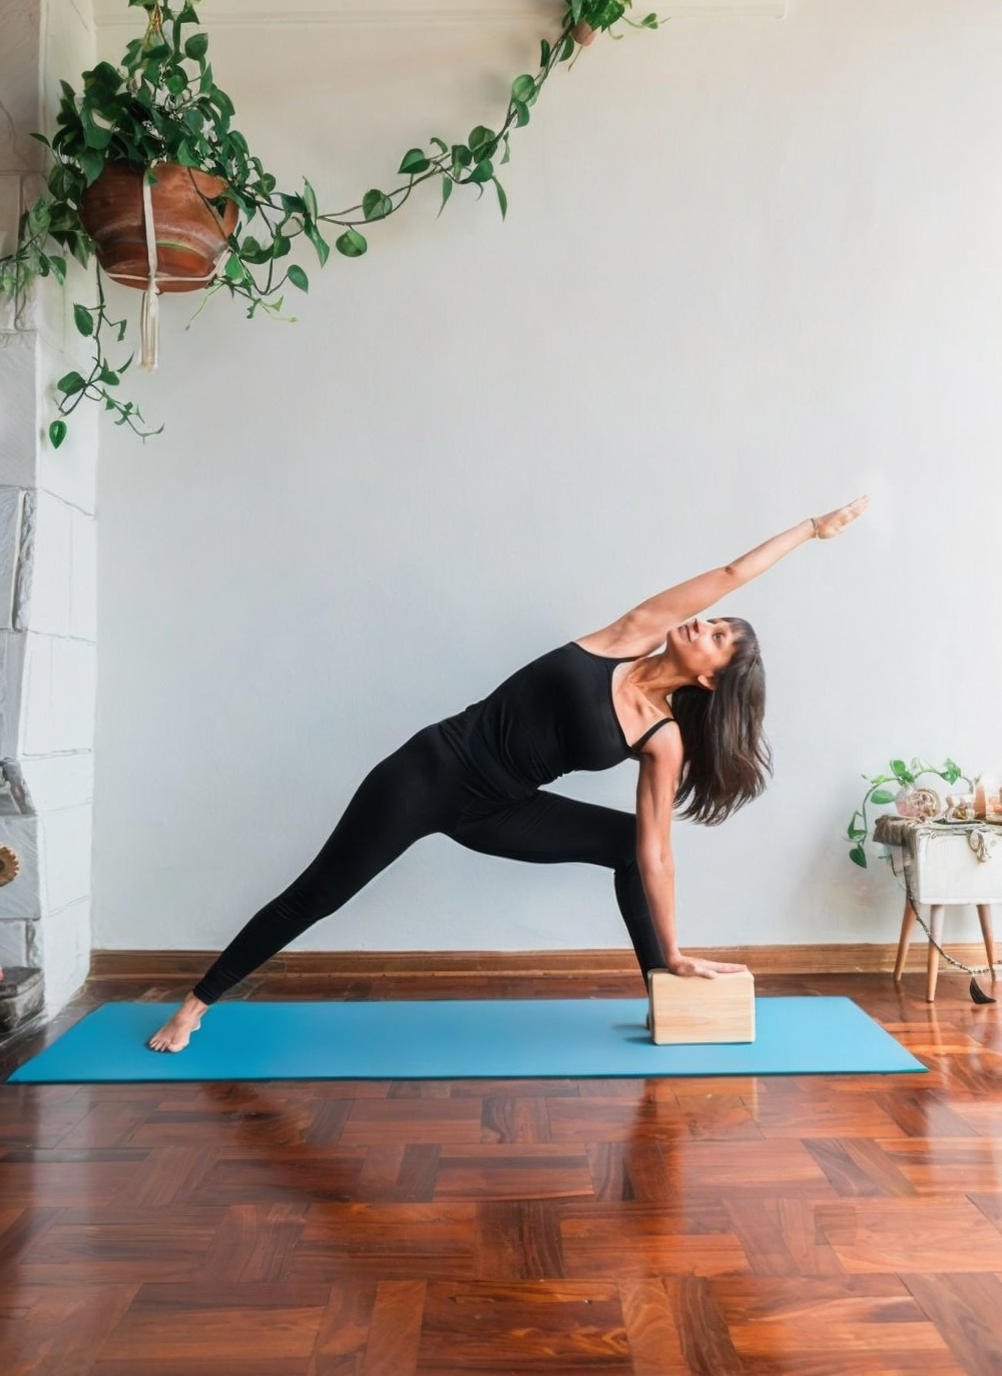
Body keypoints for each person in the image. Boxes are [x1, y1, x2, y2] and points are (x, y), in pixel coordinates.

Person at [149, 495, 869, 1052]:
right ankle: (196, 1005)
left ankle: (661, 990)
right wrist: (811, 529)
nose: (708, 626)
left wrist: (675, 952)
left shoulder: (664, 738)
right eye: (715, 622)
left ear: (712, 681)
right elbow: (730, 574)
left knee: (624, 845)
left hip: (495, 809)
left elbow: (654, 852)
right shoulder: (629, 635)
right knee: (319, 893)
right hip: (429, 772)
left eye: (720, 638)